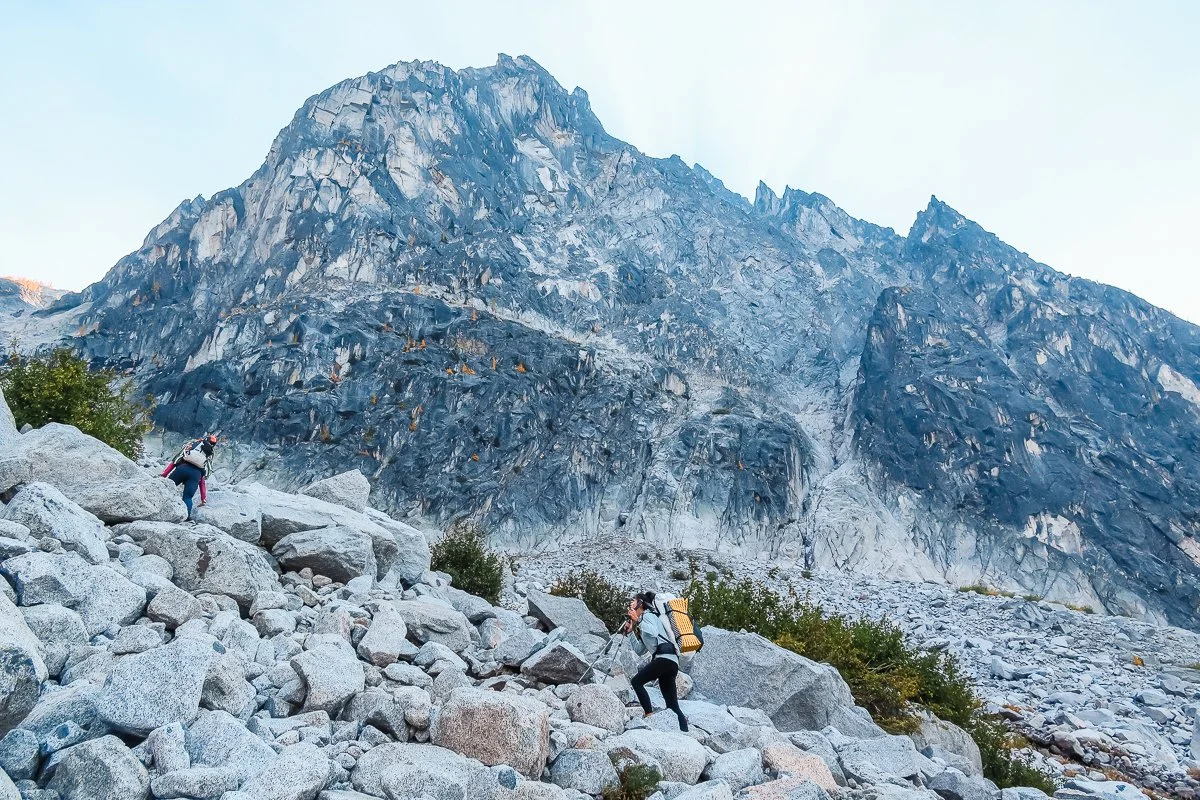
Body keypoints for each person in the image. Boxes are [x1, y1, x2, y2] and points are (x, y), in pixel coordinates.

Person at [621, 590, 689, 732]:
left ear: (640, 603)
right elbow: (640, 650)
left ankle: (649, 715)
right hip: (670, 662)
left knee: (636, 682)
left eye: (633, 601)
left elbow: (652, 632)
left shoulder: (649, 616)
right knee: (672, 704)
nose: (630, 604)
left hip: (664, 660)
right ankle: (684, 731)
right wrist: (631, 632)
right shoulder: (643, 621)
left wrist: (638, 620)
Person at [162, 435, 216, 519]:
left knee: (167, 488)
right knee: (187, 497)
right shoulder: (210, 454)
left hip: (182, 469)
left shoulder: (193, 444)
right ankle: (187, 517)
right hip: (195, 475)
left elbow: (176, 460)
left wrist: (164, 475)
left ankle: (159, 506)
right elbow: (202, 481)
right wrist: (203, 499)